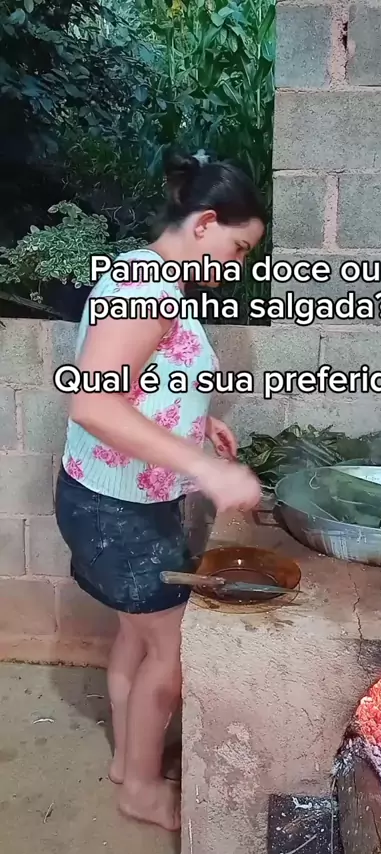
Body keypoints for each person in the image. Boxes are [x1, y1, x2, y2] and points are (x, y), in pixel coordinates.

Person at [55, 150, 266, 830]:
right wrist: (206, 471)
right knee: (171, 653)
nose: (236, 265)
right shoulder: (148, 289)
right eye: (238, 248)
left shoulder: (146, 274)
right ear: (205, 223)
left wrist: (200, 425)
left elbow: (143, 380)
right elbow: (94, 404)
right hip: (119, 512)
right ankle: (141, 790)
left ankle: (129, 763)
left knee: (138, 637)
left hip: (115, 500)